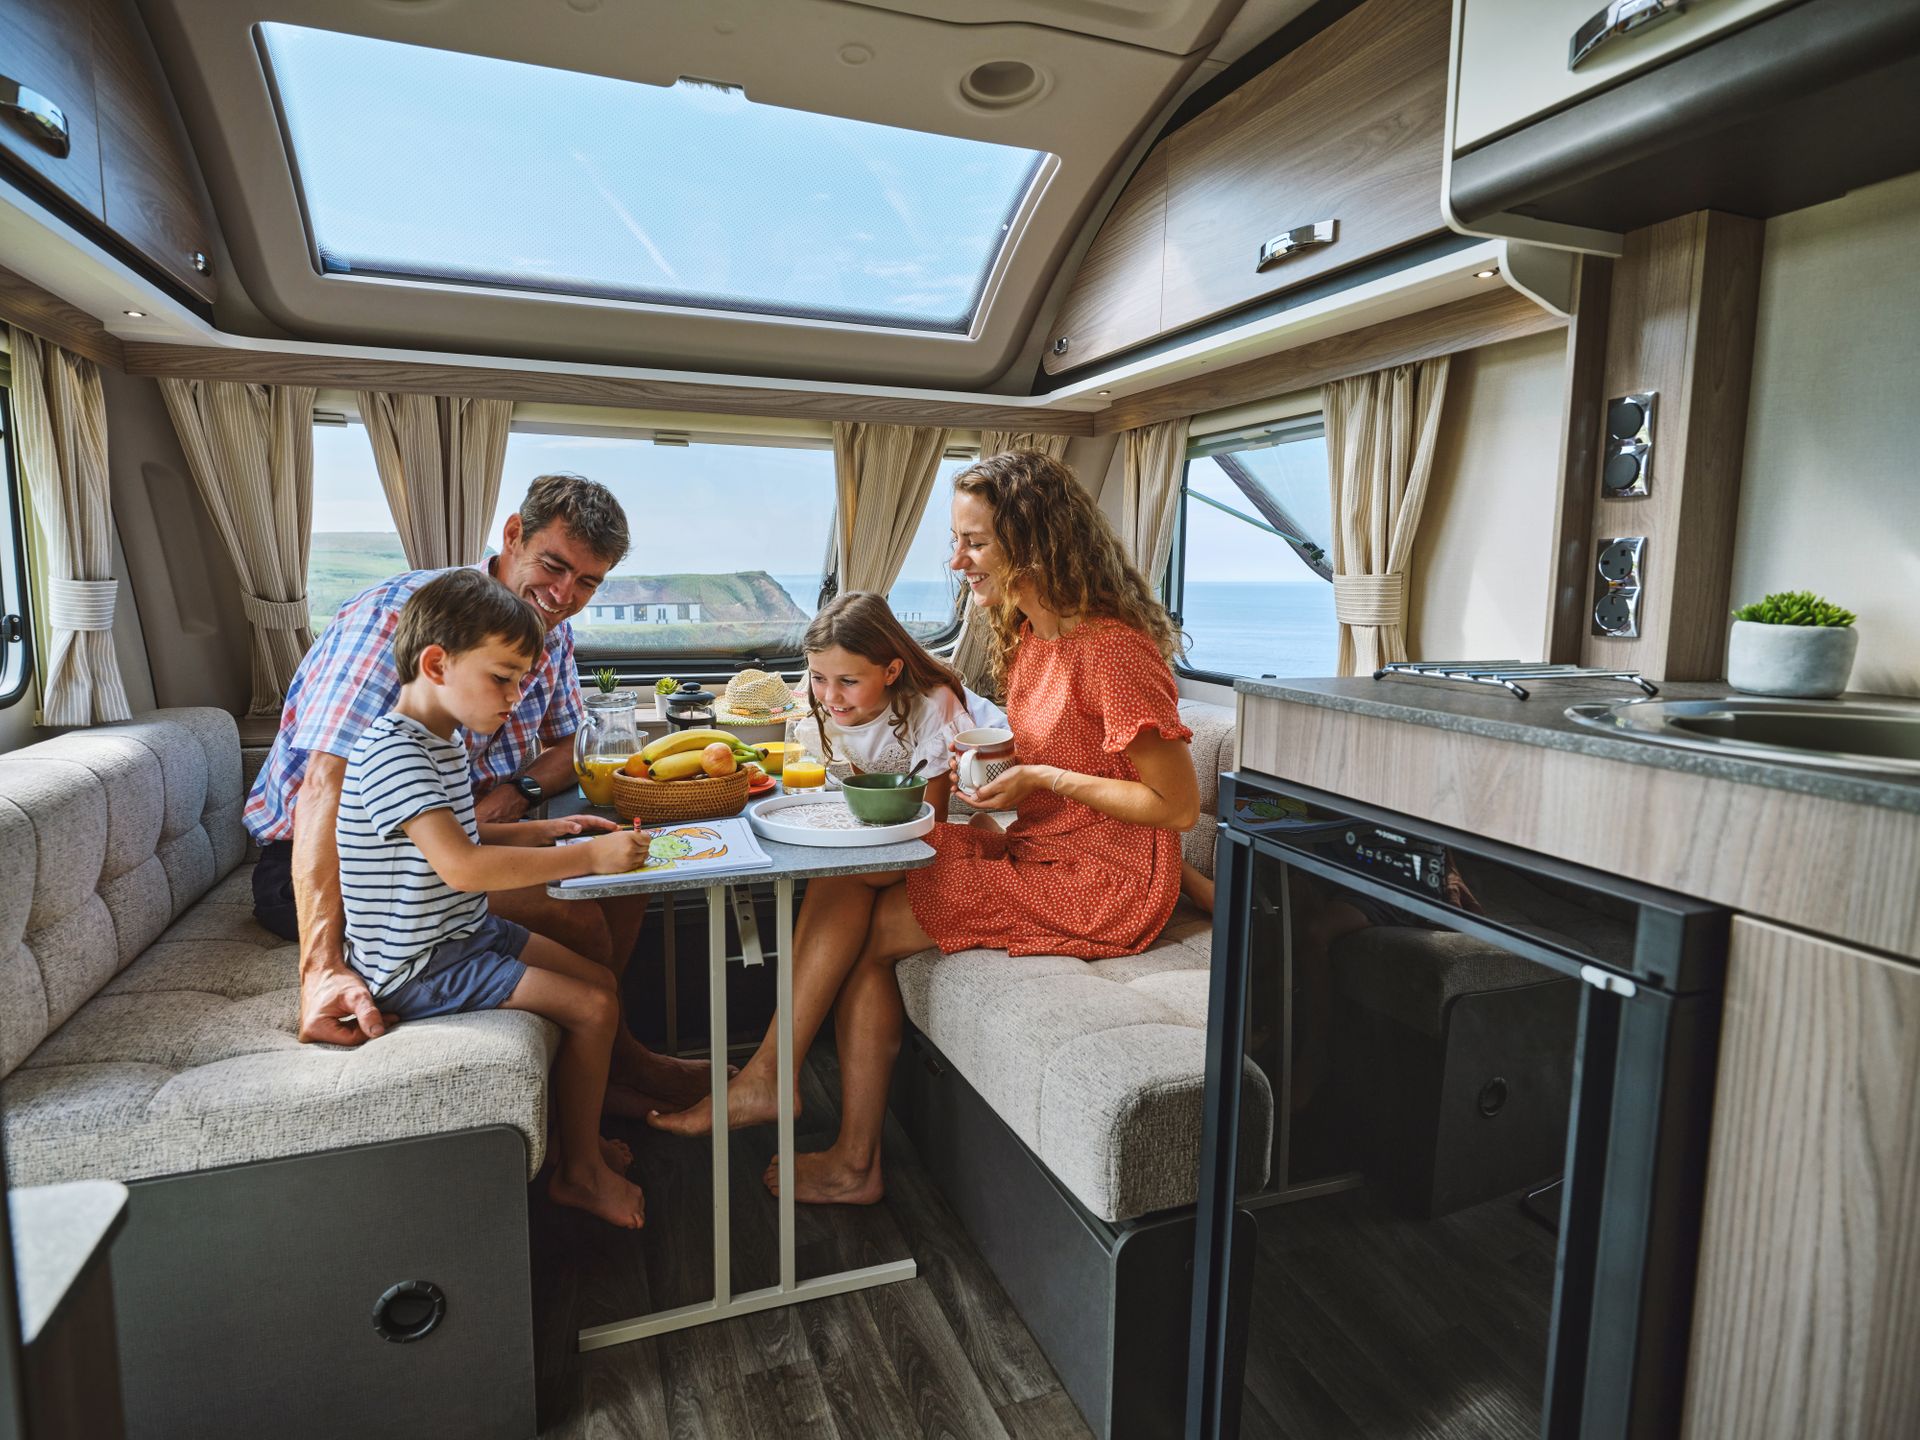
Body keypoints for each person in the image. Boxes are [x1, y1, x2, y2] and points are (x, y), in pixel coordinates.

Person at [653, 451, 1201, 1211]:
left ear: (1033, 541)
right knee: (855, 874)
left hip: (1100, 883)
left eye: (974, 543)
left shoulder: (1112, 649)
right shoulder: (1035, 639)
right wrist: (1014, 752)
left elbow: (1175, 806)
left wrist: (1041, 778)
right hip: (1037, 849)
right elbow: (1075, 742)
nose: (957, 561)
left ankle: (805, 1115)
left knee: (866, 916)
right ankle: (794, 1104)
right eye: (958, 541)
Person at [245, 473, 710, 1111]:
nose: (563, 596)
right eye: (553, 567)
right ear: (512, 536)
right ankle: (620, 1066)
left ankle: (613, 1058)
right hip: (345, 864)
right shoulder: (402, 617)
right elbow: (325, 789)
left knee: (625, 889)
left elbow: (564, 748)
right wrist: (322, 968)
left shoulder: (544, 627)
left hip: (453, 831)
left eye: (587, 584)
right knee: (576, 911)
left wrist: (518, 795)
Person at [341, 571, 651, 1226]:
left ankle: (579, 1136)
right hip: (420, 965)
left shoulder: (441, 738)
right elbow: (460, 865)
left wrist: (545, 829)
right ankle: (579, 1175)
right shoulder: (394, 753)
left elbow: (461, 829)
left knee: (598, 977)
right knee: (593, 1007)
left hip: (464, 935)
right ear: (436, 663)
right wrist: (589, 857)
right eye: (503, 678)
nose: (517, 698)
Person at [788, 591, 1005, 820]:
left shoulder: (930, 707)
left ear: (891, 672)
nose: (831, 696)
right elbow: (862, 759)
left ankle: (984, 827)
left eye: (848, 681)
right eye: (818, 678)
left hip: (989, 780)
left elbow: (934, 816)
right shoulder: (843, 704)